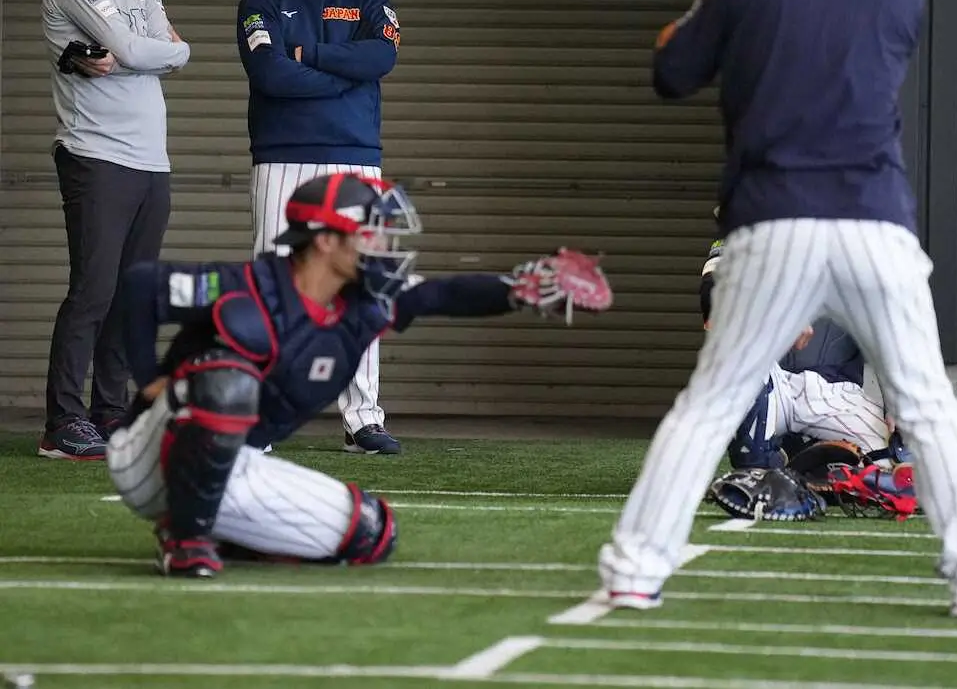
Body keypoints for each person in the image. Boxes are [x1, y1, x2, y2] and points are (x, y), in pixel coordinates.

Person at [598, 0, 957, 620]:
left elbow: (671, 73)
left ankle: (633, 571)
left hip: (773, 218)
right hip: (874, 220)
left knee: (711, 401)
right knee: (926, 402)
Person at [106, 171, 608, 577]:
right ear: (325, 240)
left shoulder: (363, 307)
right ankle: (186, 543)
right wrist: (148, 378)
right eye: (371, 233)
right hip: (151, 455)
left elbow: (440, 294)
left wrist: (517, 289)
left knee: (370, 532)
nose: (384, 245)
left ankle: (223, 531)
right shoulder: (246, 287)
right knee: (226, 379)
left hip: (230, 465)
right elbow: (138, 286)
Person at [236, 0, 403, 455]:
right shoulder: (259, 1)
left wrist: (307, 53)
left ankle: (363, 418)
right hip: (282, 156)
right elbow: (270, 76)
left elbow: (381, 57)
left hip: (355, 155)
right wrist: (344, 77)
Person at [38, 0, 191, 461]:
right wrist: (159, 51)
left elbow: (168, 51)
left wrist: (173, 50)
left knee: (130, 296)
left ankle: (109, 412)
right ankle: (62, 422)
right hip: (95, 154)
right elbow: (136, 48)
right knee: (94, 290)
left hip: (152, 161)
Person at [700, 237, 890, 467]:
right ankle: (761, 464)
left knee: (891, 468)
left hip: (836, 391)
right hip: (770, 380)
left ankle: (808, 465)